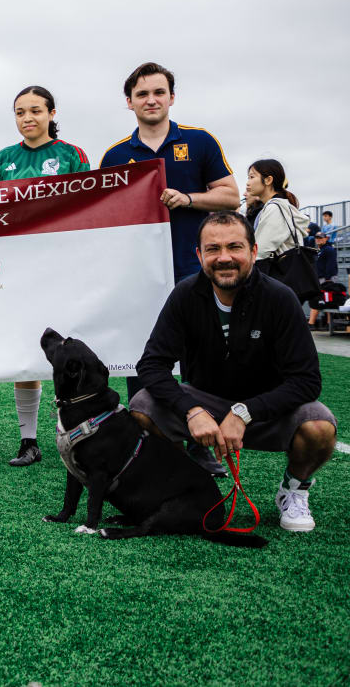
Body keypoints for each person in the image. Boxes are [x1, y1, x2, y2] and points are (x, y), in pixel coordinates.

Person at [131, 211, 337, 532]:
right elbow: (151, 365)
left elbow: (307, 381)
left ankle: (294, 490)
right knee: (143, 407)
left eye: (235, 247)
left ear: (253, 252)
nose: (224, 257)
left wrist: (244, 412)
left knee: (320, 426)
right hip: (204, 403)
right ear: (199, 255)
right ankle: (178, 485)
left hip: (265, 408)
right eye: (213, 249)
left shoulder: (280, 299)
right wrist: (191, 410)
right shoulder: (185, 295)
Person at [99, 61, 239, 474]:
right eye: (142, 94)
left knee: (196, 359)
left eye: (158, 92)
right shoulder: (116, 154)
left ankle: (199, 441)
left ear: (172, 97)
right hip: (139, 275)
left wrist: (189, 199)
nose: (151, 100)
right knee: (141, 355)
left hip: (192, 271)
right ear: (129, 102)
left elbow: (231, 195)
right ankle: (144, 439)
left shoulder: (198, 141)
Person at [0, 85, 90, 467]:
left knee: (69, 352)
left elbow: (87, 206)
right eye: (19, 112)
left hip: (62, 265)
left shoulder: (71, 155)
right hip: (18, 266)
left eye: (34, 111)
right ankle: (28, 441)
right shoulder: (4, 159)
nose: (27, 118)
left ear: (51, 113)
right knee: (27, 353)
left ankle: (76, 433)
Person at [247, 159, 310, 262]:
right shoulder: (276, 206)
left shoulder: (275, 209)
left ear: (268, 180)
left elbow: (260, 252)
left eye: (252, 177)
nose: (247, 183)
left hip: (278, 275)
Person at [310, 231, 340, 327]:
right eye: (317, 237)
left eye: (320, 237)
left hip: (327, 279)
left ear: (326, 238)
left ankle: (312, 323)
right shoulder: (319, 250)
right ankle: (328, 323)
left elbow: (331, 265)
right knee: (326, 300)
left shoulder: (329, 249)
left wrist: (328, 280)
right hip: (321, 278)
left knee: (324, 299)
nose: (318, 239)